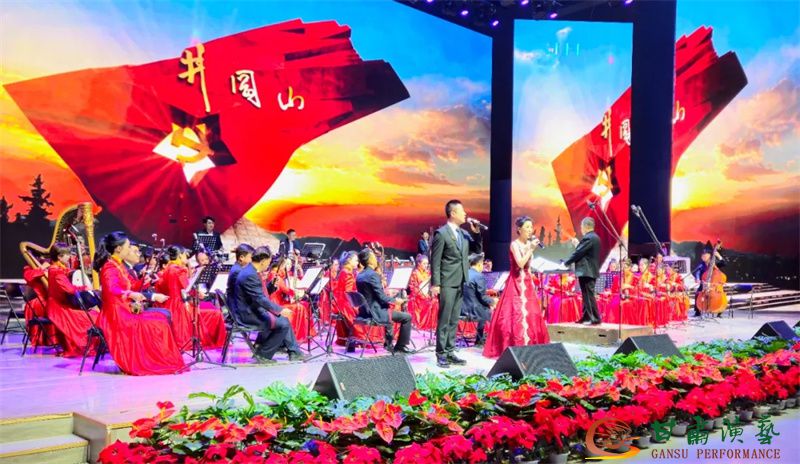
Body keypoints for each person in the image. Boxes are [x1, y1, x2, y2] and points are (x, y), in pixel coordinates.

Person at [94, 232, 186, 375]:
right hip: (116, 316)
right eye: (128, 246)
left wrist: (145, 278)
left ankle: (160, 359)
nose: (129, 249)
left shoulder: (118, 265)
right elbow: (112, 289)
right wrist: (130, 294)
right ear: (118, 248)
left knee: (161, 318)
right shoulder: (109, 267)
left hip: (124, 310)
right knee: (158, 323)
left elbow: (132, 285)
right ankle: (155, 360)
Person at [483, 216, 549, 357]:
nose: (530, 230)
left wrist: (532, 282)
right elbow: (520, 263)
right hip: (515, 283)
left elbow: (528, 267)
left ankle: (531, 346)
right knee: (514, 315)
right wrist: (530, 249)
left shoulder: (529, 244)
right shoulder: (514, 244)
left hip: (527, 283)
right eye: (527, 227)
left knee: (532, 314)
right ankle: (514, 346)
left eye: (531, 227)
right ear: (519, 229)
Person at [430, 199, 483, 368]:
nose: (465, 214)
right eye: (462, 211)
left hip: (460, 280)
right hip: (447, 281)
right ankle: (441, 353)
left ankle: (450, 351)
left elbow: (477, 250)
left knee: (454, 319)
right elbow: (435, 261)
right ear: (453, 213)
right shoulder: (441, 234)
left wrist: (476, 233)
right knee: (445, 318)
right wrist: (435, 284)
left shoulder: (463, 234)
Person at [232, 246, 305, 362]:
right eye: (268, 262)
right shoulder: (250, 274)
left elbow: (259, 293)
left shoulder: (250, 271)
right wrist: (280, 310)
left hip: (252, 309)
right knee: (283, 323)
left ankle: (293, 352)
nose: (269, 265)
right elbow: (260, 299)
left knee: (283, 321)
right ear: (263, 261)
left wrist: (271, 286)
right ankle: (264, 354)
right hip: (247, 314)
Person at [45, 243, 99, 357]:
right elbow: (69, 289)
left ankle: (90, 345)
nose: (69, 256)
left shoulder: (58, 269)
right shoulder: (56, 271)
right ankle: (84, 346)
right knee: (92, 317)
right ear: (59, 257)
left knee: (93, 314)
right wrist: (84, 288)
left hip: (61, 305)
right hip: (58, 308)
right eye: (67, 254)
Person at [356, 249, 412, 353]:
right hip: (375, 313)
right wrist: (395, 300)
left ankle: (389, 343)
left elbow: (373, 295)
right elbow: (382, 298)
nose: (375, 258)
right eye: (373, 256)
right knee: (407, 317)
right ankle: (400, 346)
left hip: (364, 312)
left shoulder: (360, 275)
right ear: (369, 260)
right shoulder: (373, 275)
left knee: (390, 309)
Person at [563, 217, 601, 325]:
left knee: (588, 295)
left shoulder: (588, 238)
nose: (581, 229)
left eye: (581, 226)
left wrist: (566, 263)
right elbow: (584, 252)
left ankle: (594, 318)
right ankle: (586, 317)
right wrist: (578, 245)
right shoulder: (595, 237)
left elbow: (578, 253)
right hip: (589, 270)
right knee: (586, 295)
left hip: (587, 271)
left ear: (585, 226)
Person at [461, 253, 496, 346]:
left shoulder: (464, 273)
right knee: (491, 309)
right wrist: (494, 302)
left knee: (484, 306)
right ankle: (492, 338)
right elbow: (483, 297)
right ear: (479, 264)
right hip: (473, 311)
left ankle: (480, 337)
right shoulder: (479, 276)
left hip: (461, 310)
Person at [692, 241, 726, 317]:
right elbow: (697, 272)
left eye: (705, 255)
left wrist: (719, 256)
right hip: (704, 283)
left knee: (719, 295)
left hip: (714, 284)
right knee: (697, 293)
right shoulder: (701, 264)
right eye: (702, 255)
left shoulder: (715, 262)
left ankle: (719, 311)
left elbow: (724, 264)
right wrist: (697, 278)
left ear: (710, 255)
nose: (703, 257)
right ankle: (697, 312)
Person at [408, 254, 437, 331]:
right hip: (417, 297)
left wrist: (432, 293)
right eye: (424, 263)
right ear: (419, 263)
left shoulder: (428, 273)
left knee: (435, 301)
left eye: (427, 264)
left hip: (426, 295)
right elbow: (413, 288)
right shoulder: (415, 273)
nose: (426, 265)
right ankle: (423, 325)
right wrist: (423, 296)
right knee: (428, 302)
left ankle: (431, 326)